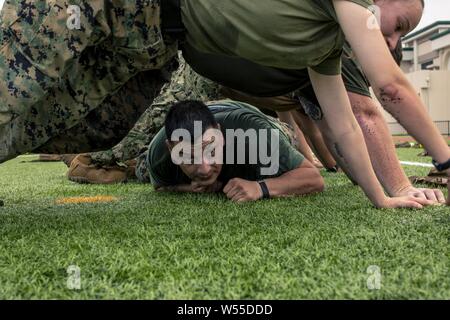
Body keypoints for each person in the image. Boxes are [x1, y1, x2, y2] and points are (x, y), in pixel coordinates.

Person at [0, 0, 448, 207]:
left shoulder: (324, 49)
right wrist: (444, 162)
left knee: (90, 125)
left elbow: (347, 127)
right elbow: (389, 89)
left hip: (154, 42)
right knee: (12, 83)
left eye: (401, 38)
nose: (391, 42)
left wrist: (387, 198)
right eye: (398, 25)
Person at [142, 100, 324, 202]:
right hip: (215, 112)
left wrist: (260, 188)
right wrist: (187, 188)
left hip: (264, 123)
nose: (204, 169)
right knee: (140, 173)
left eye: (210, 151)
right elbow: (160, 186)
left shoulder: (254, 134)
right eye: (190, 158)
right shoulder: (158, 155)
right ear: (171, 148)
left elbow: (313, 178)